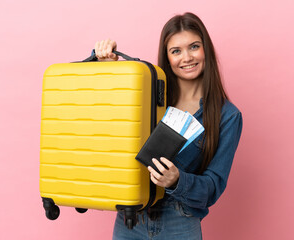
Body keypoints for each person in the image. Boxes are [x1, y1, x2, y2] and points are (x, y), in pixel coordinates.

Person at [95, 12, 243, 240]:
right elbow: (108, 124)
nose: (186, 57)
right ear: (167, 57)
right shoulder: (147, 97)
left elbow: (213, 187)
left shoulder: (227, 116)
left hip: (180, 222)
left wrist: (177, 180)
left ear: (206, 50)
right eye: (176, 51)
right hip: (131, 218)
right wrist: (110, 70)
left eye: (194, 46)